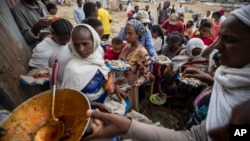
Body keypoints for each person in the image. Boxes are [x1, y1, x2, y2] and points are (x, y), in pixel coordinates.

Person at [81, 5, 250, 141]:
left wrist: (235, 133)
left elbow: (233, 133)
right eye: (220, 38)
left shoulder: (243, 109)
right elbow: (198, 135)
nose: (217, 46)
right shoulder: (228, 79)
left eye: (229, 39)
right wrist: (212, 81)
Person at [62, 24, 128, 114]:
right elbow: (70, 100)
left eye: (85, 44)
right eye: (76, 45)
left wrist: (115, 88)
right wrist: (94, 105)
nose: (81, 49)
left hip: (104, 100)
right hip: (85, 109)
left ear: (94, 42)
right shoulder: (72, 69)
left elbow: (103, 75)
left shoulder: (96, 57)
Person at [118, 19, 151, 111]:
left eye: (130, 33)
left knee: (128, 106)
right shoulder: (127, 46)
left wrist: (134, 85)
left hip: (130, 83)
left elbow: (146, 75)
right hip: (121, 81)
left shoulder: (142, 53)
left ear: (138, 34)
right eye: (125, 33)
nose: (127, 36)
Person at [29, 18, 73, 87]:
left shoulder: (70, 40)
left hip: (72, 80)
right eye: (63, 40)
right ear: (53, 33)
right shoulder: (42, 48)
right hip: (60, 86)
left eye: (68, 39)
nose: (66, 42)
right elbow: (39, 72)